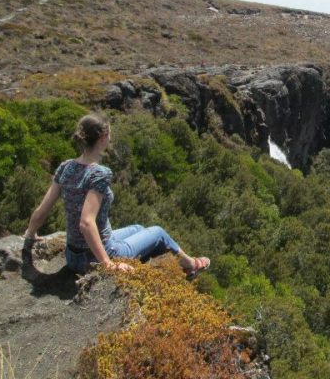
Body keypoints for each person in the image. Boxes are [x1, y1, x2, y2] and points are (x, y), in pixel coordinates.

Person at [23, 113, 210, 279]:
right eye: (109, 134)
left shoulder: (66, 167)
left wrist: (30, 234)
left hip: (72, 254)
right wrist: (108, 264)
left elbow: (41, 211)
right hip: (95, 256)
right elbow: (86, 223)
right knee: (159, 233)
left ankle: (176, 265)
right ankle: (191, 265)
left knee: (139, 228)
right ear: (103, 137)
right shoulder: (99, 174)